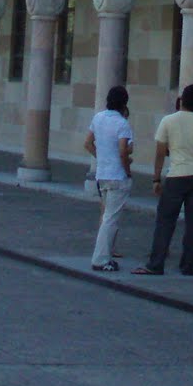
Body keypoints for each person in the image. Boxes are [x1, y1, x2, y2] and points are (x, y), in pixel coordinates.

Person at [133, 83, 193, 277]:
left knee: (165, 221)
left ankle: (156, 263)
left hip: (176, 175)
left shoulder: (168, 120)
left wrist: (156, 178)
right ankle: (188, 265)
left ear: (182, 99)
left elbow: (160, 153)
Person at [84, 84, 134, 272]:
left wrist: (102, 157)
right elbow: (123, 151)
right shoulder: (122, 123)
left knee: (106, 216)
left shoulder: (98, 118)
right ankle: (101, 259)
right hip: (117, 175)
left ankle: (103, 256)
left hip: (102, 174)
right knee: (111, 219)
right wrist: (127, 169)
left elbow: (88, 143)